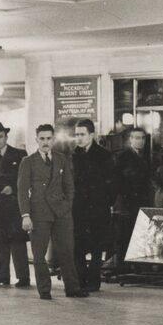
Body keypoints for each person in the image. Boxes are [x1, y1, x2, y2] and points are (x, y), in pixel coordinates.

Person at [18, 124, 87, 300]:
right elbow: (22, 191)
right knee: (39, 254)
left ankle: (72, 288)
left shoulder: (61, 159)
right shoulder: (28, 162)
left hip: (61, 213)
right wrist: (25, 215)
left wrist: (67, 206)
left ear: (53, 139)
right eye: (42, 138)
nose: (45, 142)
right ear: (36, 140)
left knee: (67, 251)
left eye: (49, 138)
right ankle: (44, 290)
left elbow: (69, 186)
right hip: (39, 213)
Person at [0, 122, 31, 288]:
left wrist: (13, 188)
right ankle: (2, 276)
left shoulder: (19, 155)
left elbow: (27, 179)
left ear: (6, 137)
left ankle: (23, 278)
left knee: (17, 241)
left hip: (13, 207)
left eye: (0, 136)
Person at [72, 119, 116, 291]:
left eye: (82, 134)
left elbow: (112, 183)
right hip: (78, 208)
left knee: (97, 246)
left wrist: (107, 202)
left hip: (98, 208)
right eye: (76, 134)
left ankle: (93, 280)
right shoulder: (73, 155)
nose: (79, 138)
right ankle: (81, 279)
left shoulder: (104, 155)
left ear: (91, 135)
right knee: (78, 245)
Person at [114, 127, 153, 271]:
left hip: (139, 202)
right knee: (124, 236)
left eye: (142, 138)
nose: (140, 141)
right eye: (137, 138)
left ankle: (135, 267)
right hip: (127, 203)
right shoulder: (123, 156)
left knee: (137, 235)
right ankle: (123, 268)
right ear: (130, 139)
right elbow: (118, 180)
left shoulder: (144, 156)